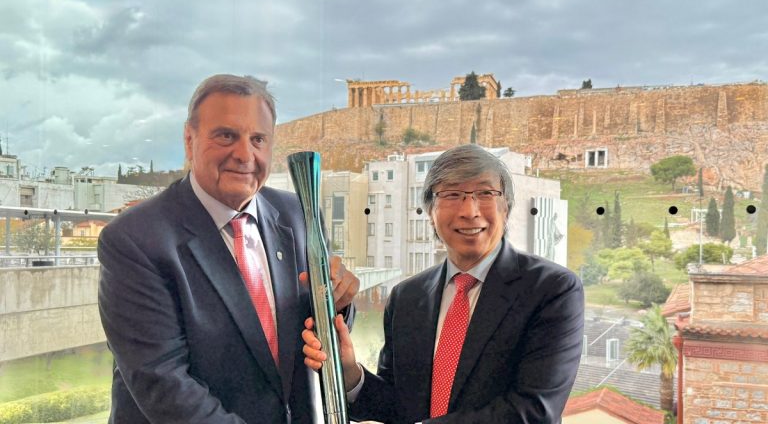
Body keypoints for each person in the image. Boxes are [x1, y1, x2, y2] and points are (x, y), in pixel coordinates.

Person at [98, 74, 359, 424]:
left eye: (258, 139)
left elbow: (312, 332)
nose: (245, 154)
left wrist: (338, 304)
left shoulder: (297, 213)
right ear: (189, 140)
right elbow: (165, 387)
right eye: (226, 136)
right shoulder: (134, 239)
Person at [303, 144, 584, 423]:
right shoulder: (407, 297)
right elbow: (397, 406)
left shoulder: (552, 289)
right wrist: (349, 374)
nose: (469, 211)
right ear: (430, 212)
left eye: (485, 193)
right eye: (452, 194)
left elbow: (533, 412)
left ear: (506, 207)